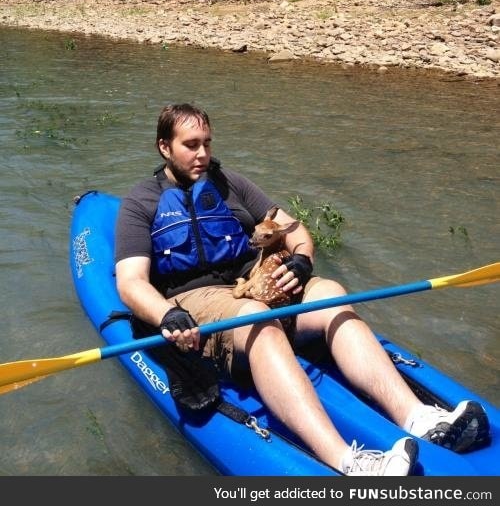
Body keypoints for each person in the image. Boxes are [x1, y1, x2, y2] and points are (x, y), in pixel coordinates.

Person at [114, 103, 489, 476]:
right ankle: (348, 461)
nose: (203, 154)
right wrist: (168, 315)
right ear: (164, 146)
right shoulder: (141, 202)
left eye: (207, 143)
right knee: (258, 320)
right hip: (201, 299)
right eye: (191, 145)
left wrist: (302, 260)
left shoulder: (230, 183)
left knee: (330, 294)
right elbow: (131, 282)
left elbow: (291, 228)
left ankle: (417, 417)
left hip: (258, 280)